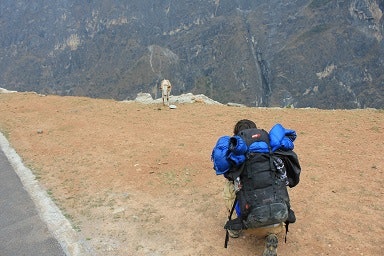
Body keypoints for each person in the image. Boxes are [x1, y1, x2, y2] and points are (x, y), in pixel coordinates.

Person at [221, 119, 288, 256]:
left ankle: (235, 229)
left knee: (230, 188)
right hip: (278, 215)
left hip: (251, 220)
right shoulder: (273, 156)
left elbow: (230, 178)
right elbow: (284, 181)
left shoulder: (237, 161)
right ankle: (271, 234)